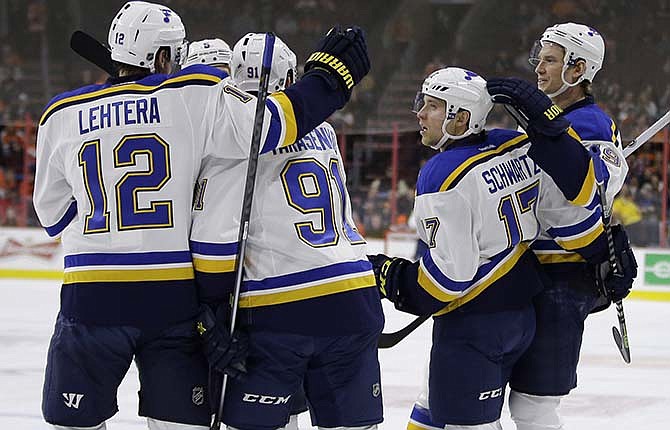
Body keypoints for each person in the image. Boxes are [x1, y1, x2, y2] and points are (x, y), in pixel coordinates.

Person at [33, 1, 371, 429]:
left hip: (91, 301)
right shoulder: (194, 93)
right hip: (171, 303)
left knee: (73, 424)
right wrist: (330, 79)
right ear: (161, 57)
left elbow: (54, 216)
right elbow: (271, 124)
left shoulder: (59, 115)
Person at [368, 67, 635, 430]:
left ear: (460, 117)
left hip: (475, 319)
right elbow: (574, 200)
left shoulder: (441, 175)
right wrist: (601, 246)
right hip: (522, 311)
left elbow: (448, 279)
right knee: (432, 406)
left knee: (467, 421)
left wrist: (390, 278)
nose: (420, 113)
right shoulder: (515, 144)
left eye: (431, 105)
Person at [190, 32, 383, 430]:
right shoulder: (324, 131)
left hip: (283, 307)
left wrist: (211, 310)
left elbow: (216, 243)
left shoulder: (231, 139)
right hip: (354, 296)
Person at [506, 23, 633, 430]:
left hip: (562, 278)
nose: (538, 68)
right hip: (528, 273)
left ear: (578, 69)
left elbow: (583, 198)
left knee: (534, 408)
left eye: (550, 60)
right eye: (538, 59)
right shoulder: (547, 120)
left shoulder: (592, 125)